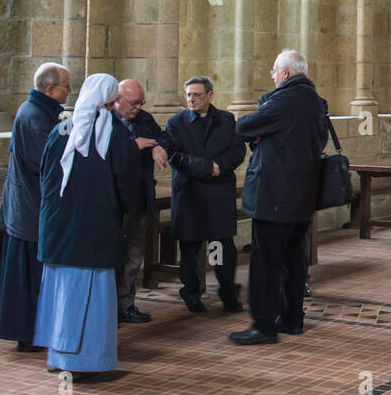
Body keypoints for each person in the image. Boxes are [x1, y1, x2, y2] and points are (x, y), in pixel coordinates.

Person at [34, 73, 143, 378]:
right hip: (93, 231)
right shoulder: (115, 135)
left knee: (62, 295)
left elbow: (45, 177)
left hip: (59, 230)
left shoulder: (60, 130)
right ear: (111, 99)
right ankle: (86, 362)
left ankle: (58, 357)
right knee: (90, 297)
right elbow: (128, 186)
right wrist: (130, 212)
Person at [230, 50, 328, 345]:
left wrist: (263, 133)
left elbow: (243, 126)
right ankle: (292, 320)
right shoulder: (315, 101)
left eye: (274, 71)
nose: (272, 76)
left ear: (285, 73)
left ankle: (264, 326)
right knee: (295, 260)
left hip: (274, 196)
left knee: (266, 262)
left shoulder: (283, 100)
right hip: (303, 196)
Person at [0, 63, 70, 351]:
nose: (69, 90)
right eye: (65, 85)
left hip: (30, 208)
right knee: (27, 277)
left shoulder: (40, 112)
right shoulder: (34, 116)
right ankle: (27, 334)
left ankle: (34, 331)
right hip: (29, 211)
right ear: (50, 89)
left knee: (32, 274)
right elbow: (46, 165)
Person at [163, 76, 246, 313]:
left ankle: (227, 291)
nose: (191, 99)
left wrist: (219, 166)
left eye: (197, 95)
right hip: (190, 193)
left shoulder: (226, 120)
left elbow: (238, 150)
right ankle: (192, 293)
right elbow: (174, 156)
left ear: (210, 96)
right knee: (190, 247)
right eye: (188, 94)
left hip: (218, 193)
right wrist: (206, 167)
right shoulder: (176, 123)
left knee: (220, 247)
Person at [111, 79, 168, 324]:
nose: (138, 107)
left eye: (141, 102)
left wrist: (159, 147)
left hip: (139, 198)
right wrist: (132, 146)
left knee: (134, 254)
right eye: (134, 103)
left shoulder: (144, 119)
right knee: (112, 256)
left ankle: (126, 304)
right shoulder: (104, 120)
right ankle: (106, 308)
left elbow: (165, 137)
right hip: (112, 201)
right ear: (117, 99)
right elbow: (101, 154)